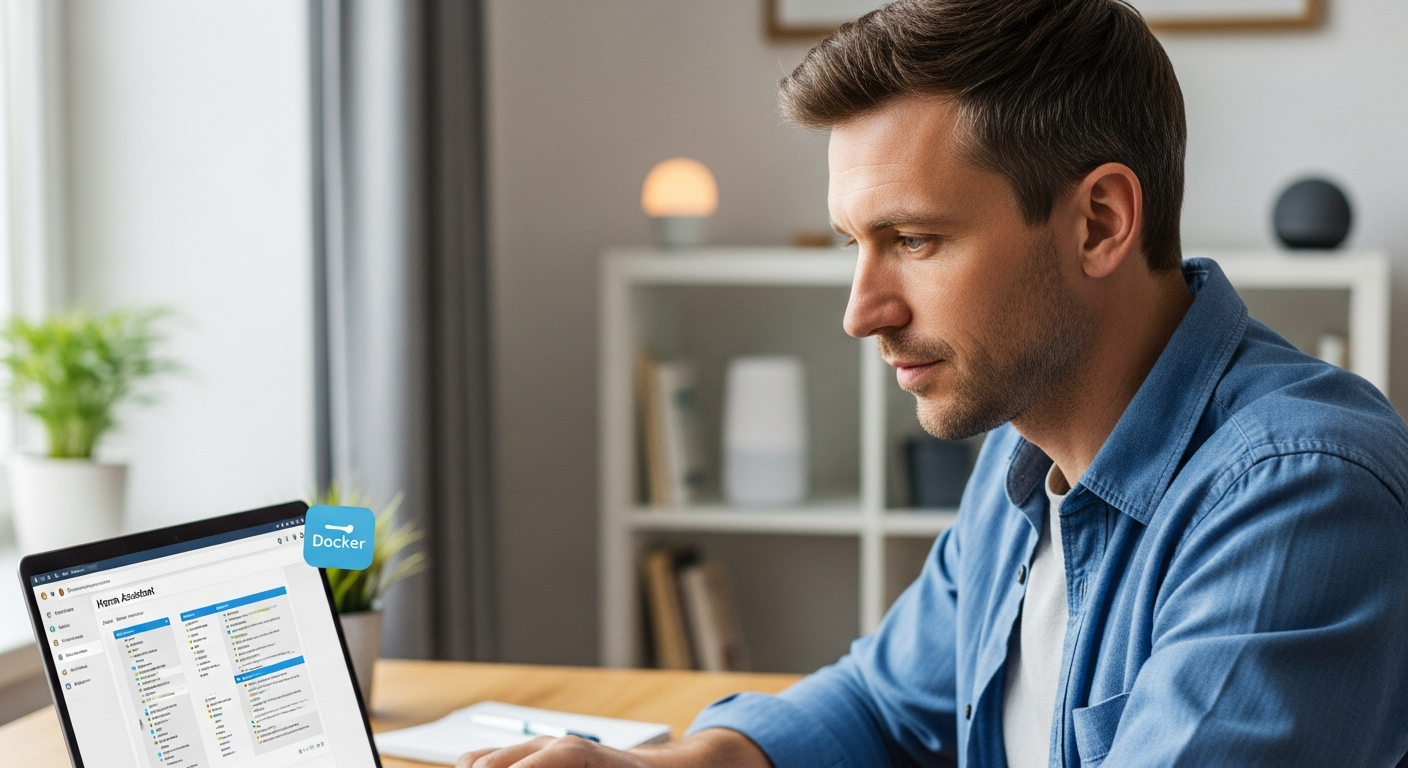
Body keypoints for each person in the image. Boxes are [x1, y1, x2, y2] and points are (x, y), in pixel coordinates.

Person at [460, 1, 1408, 766]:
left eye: (914, 241)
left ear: (1100, 222)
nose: (862, 311)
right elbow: (886, 700)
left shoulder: (1299, 492)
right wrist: (687, 764)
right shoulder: (1027, 445)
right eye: (854, 246)